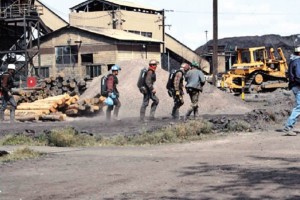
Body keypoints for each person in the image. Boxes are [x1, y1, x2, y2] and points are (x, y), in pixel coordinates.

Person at [282, 47, 300, 136]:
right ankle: (288, 127)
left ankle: (289, 126)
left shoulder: (293, 60)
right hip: (298, 86)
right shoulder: (298, 61)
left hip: (295, 86)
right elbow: (298, 76)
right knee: (299, 107)